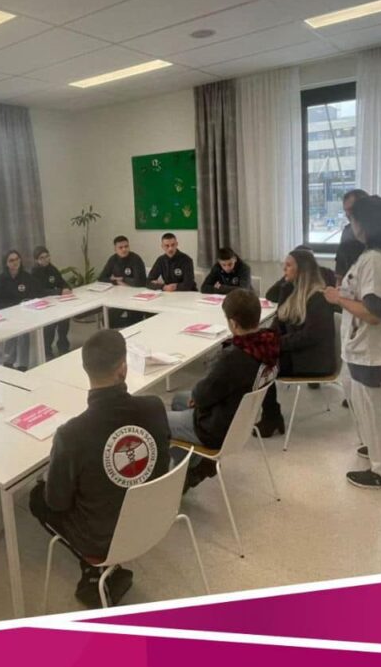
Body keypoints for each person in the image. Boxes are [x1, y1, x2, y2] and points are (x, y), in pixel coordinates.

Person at [29, 330, 171, 608]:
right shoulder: (154, 407)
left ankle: (93, 566)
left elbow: (56, 503)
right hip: (154, 517)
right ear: (123, 368)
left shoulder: (71, 434)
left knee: (37, 497)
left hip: (103, 538)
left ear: (85, 370)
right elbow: (161, 462)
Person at [324, 195, 381, 492]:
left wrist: (338, 298)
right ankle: (379, 449)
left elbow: (374, 312)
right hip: (371, 346)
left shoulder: (374, 259)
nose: (351, 225)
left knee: (373, 410)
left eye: (352, 219)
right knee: (371, 407)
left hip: (373, 347)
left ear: (365, 223)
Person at [166, 289, 279, 489]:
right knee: (179, 399)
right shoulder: (268, 344)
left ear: (233, 323)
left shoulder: (233, 358)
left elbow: (203, 394)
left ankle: (186, 474)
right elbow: (209, 390)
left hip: (215, 428)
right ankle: (194, 465)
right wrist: (198, 396)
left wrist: (198, 396)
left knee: (158, 420)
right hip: (242, 419)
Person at [257, 249, 339, 437]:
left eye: (288, 265)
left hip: (312, 360)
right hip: (297, 353)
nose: (283, 269)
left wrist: (276, 344)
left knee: (259, 364)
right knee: (254, 353)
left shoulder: (318, 298)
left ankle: (271, 416)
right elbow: (279, 322)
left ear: (302, 269)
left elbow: (310, 336)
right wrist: (264, 338)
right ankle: (270, 414)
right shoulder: (291, 291)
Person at [0, 249, 34, 371]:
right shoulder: (0, 279)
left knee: (24, 335)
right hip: (8, 312)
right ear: (6, 263)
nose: (15, 262)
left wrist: (27, 304)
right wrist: (12, 309)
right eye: (11, 260)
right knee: (11, 335)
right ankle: (8, 362)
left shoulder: (26, 277)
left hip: (25, 312)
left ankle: (23, 364)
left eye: (17, 259)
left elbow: (32, 294)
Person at [30, 245, 72, 360]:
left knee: (65, 320)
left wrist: (66, 288)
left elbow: (61, 281)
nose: (46, 259)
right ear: (36, 260)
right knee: (50, 326)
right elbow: (39, 292)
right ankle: (47, 350)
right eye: (42, 258)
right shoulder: (34, 273)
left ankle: (63, 345)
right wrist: (59, 291)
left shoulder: (52, 268)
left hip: (56, 302)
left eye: (47, 256)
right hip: (43, 304)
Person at [97, 235, 149, 327]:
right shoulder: (113, 259)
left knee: (136, 320)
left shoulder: (135, 259)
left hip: (136, 297)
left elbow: (139, 282)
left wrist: (123, 279)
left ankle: (132, 327)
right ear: (115, 249)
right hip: (119, 297)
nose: (124, 249)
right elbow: (102, 278)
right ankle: (127, 328)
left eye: (126, 246)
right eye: (120, 247)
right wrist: (116, 282)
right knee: (107, 320)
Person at [335, 188, 369, 281]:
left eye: (351, 209)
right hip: (349, 285)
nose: (348, 214)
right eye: (346, 210)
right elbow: (340, 270)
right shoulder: (347, 232)